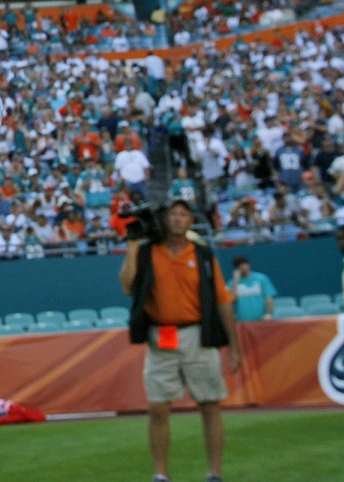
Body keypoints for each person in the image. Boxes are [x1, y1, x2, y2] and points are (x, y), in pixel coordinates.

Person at [119, 198, 242, 482]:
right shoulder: (148, 251)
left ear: (190, 221)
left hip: (197, 334)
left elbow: (223, 301)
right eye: (172, 213)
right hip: (161, 335)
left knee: (210, 403)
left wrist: (233, 348)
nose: (176, 218)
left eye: (182, 214)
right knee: (158, 407)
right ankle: (160, 475)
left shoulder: (201, 254)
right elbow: (127, 285)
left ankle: (214, 473)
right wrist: (132, 244)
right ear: (164, 219)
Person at [229, 256, 276, 322]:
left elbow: (269, 297)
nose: (243, 267)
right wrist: (236, 280)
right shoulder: (232, 283)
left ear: (248, 264)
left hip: (262, 320)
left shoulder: (261, 278)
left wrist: (268, 314)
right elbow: (231, 299)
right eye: (239, 265)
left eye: (244, 264)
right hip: (243, 321)